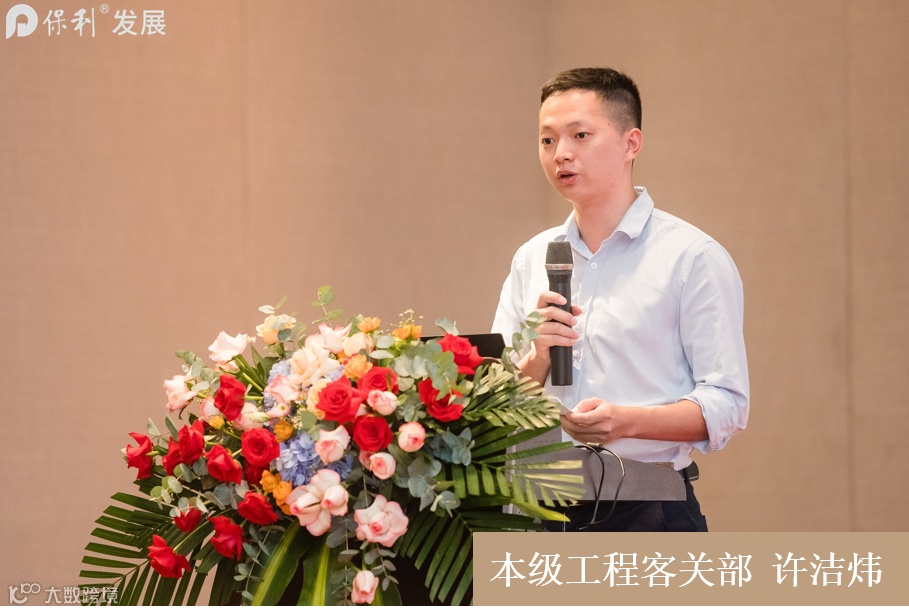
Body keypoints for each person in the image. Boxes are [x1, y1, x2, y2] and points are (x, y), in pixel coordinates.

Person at [491, 67, 749, 531]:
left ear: (631, 144)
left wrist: (627, 421)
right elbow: (494, 403)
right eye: (547, 140)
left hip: (648, 508)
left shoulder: (691, 257)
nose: (560, 153)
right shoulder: (532, 258)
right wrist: (538, 358)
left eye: (580, 135)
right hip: (537, 507)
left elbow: (727, 404)